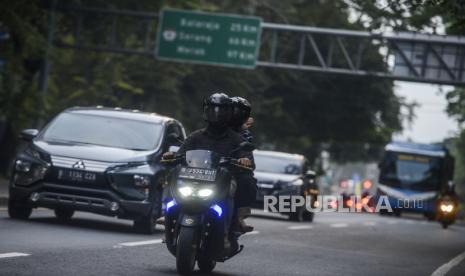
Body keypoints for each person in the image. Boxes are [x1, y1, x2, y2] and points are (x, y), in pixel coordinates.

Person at [162, 92, 253, 247]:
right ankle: (166, 213)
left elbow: (247, 157)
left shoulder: (237, 139)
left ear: (229, 113)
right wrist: (172, 155)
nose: (217, 114)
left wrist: (244, 160)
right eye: (213, 109)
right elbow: (180, 153)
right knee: (173, 174)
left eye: (222, 110)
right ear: (206, 111)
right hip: (193, 178)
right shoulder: (196, 136)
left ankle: (226, 231)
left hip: (221, 180)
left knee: (233, 189)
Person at [230, 97, 257, 233]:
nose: (234, 114)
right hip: (208, 169)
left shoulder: (244, 134)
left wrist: (244, 160)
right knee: (178, 171)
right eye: (231, 110)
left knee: (246, 181)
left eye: (238, 112)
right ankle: (172, 211)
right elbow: (193, 143)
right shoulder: (210, 130)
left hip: (230, 171)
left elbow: (247, 153)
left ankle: (238, 217)